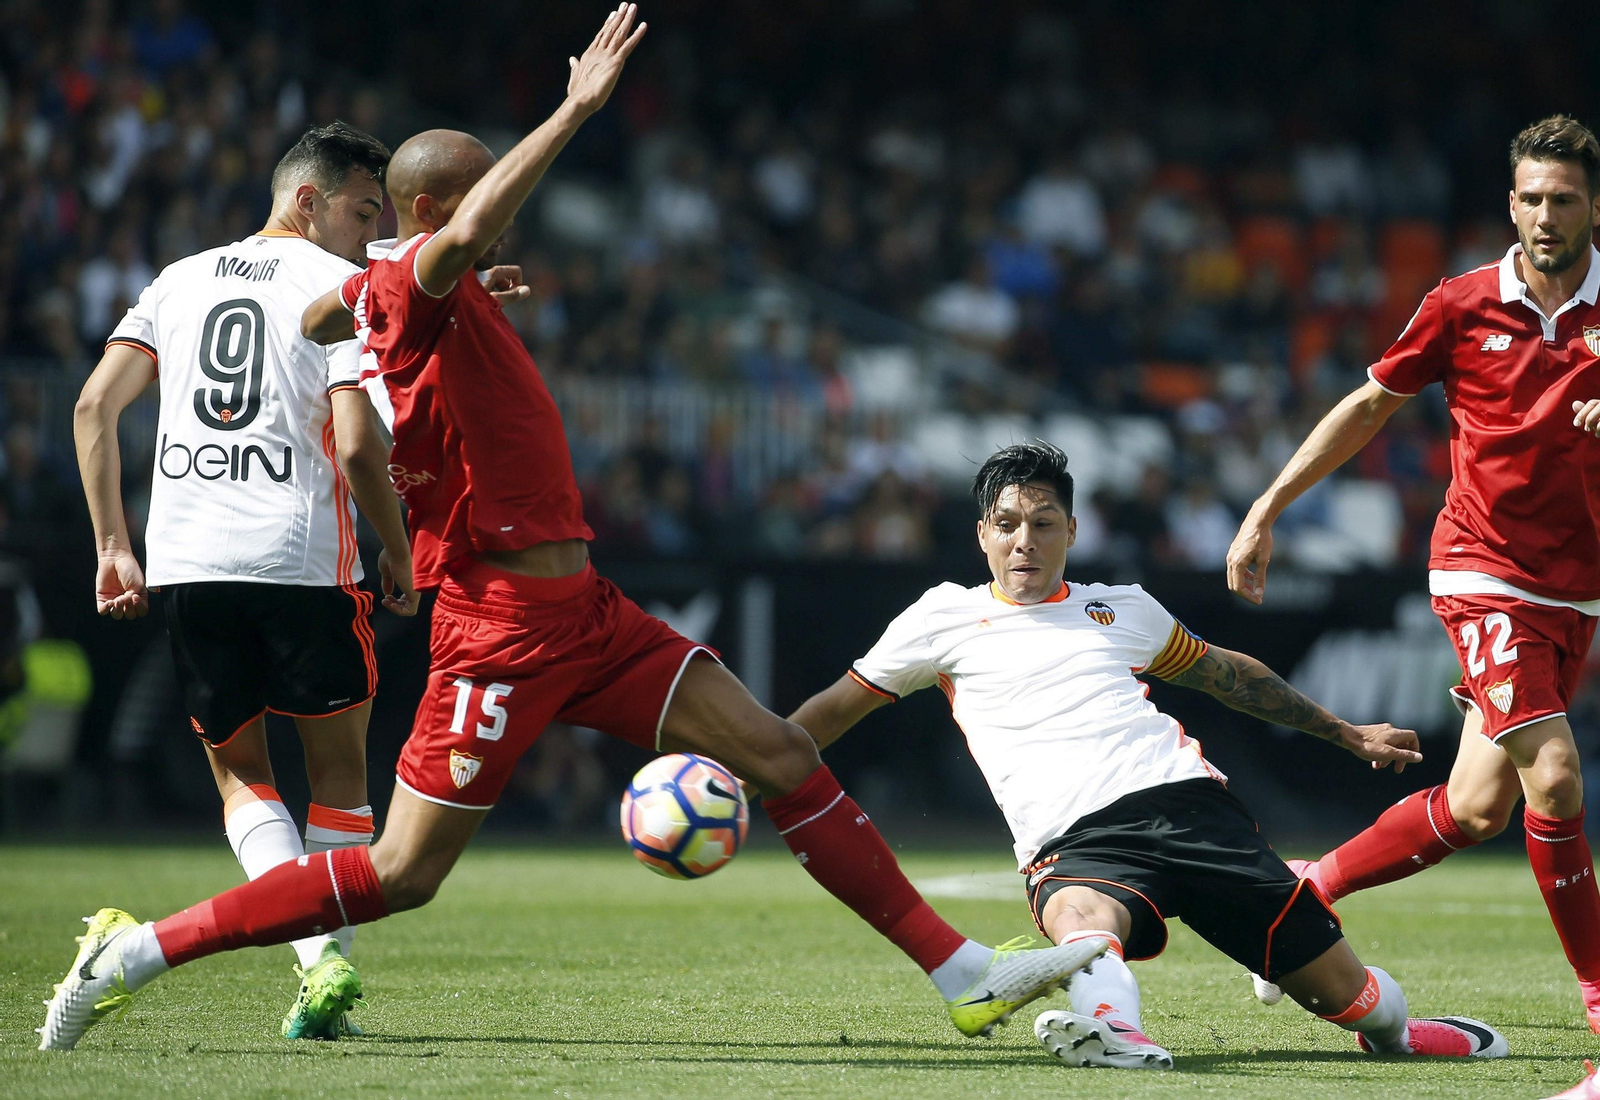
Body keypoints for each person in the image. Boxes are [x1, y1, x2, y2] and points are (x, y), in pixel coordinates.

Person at [38, 6, 1103, 1053]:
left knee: (778, 750)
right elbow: (430, 255)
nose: (513, 205)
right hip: (498, 620)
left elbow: (336, 310)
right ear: (439, 205)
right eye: (486, 187)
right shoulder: (416, 274)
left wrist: (361, 296)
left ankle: (963, 973)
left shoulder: (403, 290)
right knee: (403, 873)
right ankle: (133, 956)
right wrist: (574, 109)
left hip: (584, 611)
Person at [788, 441, 1509, 1070]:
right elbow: (830, 711)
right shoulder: (939, 617)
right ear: (982, 533)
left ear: (1071, 530)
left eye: (1043, 525)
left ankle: (1399, 1031)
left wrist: (1345, 732)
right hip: (1071, 839)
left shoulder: (1121, 607)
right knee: (1080, 922)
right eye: (1006, 525)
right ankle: (1110, 1028)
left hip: (1187, 804)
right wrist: (752, 761)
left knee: (1354, 1004)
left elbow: (1231, 676)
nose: (1024, 543)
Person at [1226, 115, 1600, 1031]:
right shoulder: (1461, 304)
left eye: (1564, 199)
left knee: (1477, 808)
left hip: (1576, 588)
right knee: (1552, 778)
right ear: (1510, 205)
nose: (1545, 216)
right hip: (1483, 569)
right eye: (1531, 199)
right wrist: (1267, 506)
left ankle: (1310, 890)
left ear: (1595, 206)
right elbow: (1366, 407)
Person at [69, 121, 418, 1041]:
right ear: (307, 200)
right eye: (359, 209)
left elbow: (94, 404)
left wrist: (113, 542)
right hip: (305, 560)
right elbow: (354, 442)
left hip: (189, 561)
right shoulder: (340, 289)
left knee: (242, 781)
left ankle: (318, 967)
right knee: (340, 784)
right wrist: (397, 547)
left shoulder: (176, 280)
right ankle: (326, 967)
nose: (368, 231)